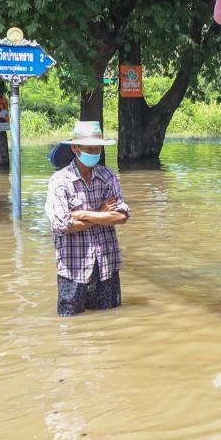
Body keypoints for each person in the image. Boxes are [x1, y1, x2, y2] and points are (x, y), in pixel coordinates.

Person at [44, 121, 130, 316]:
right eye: (88, 148)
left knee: (109, 320)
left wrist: (84, 214)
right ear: (75, 148)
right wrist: (101, 213)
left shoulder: (107, 176)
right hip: (73, 267)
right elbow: (62, 224)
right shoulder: (60, 181)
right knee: (70, 322)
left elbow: (122, 215)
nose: (93, 152)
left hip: (106, 265)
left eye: (97, 148)